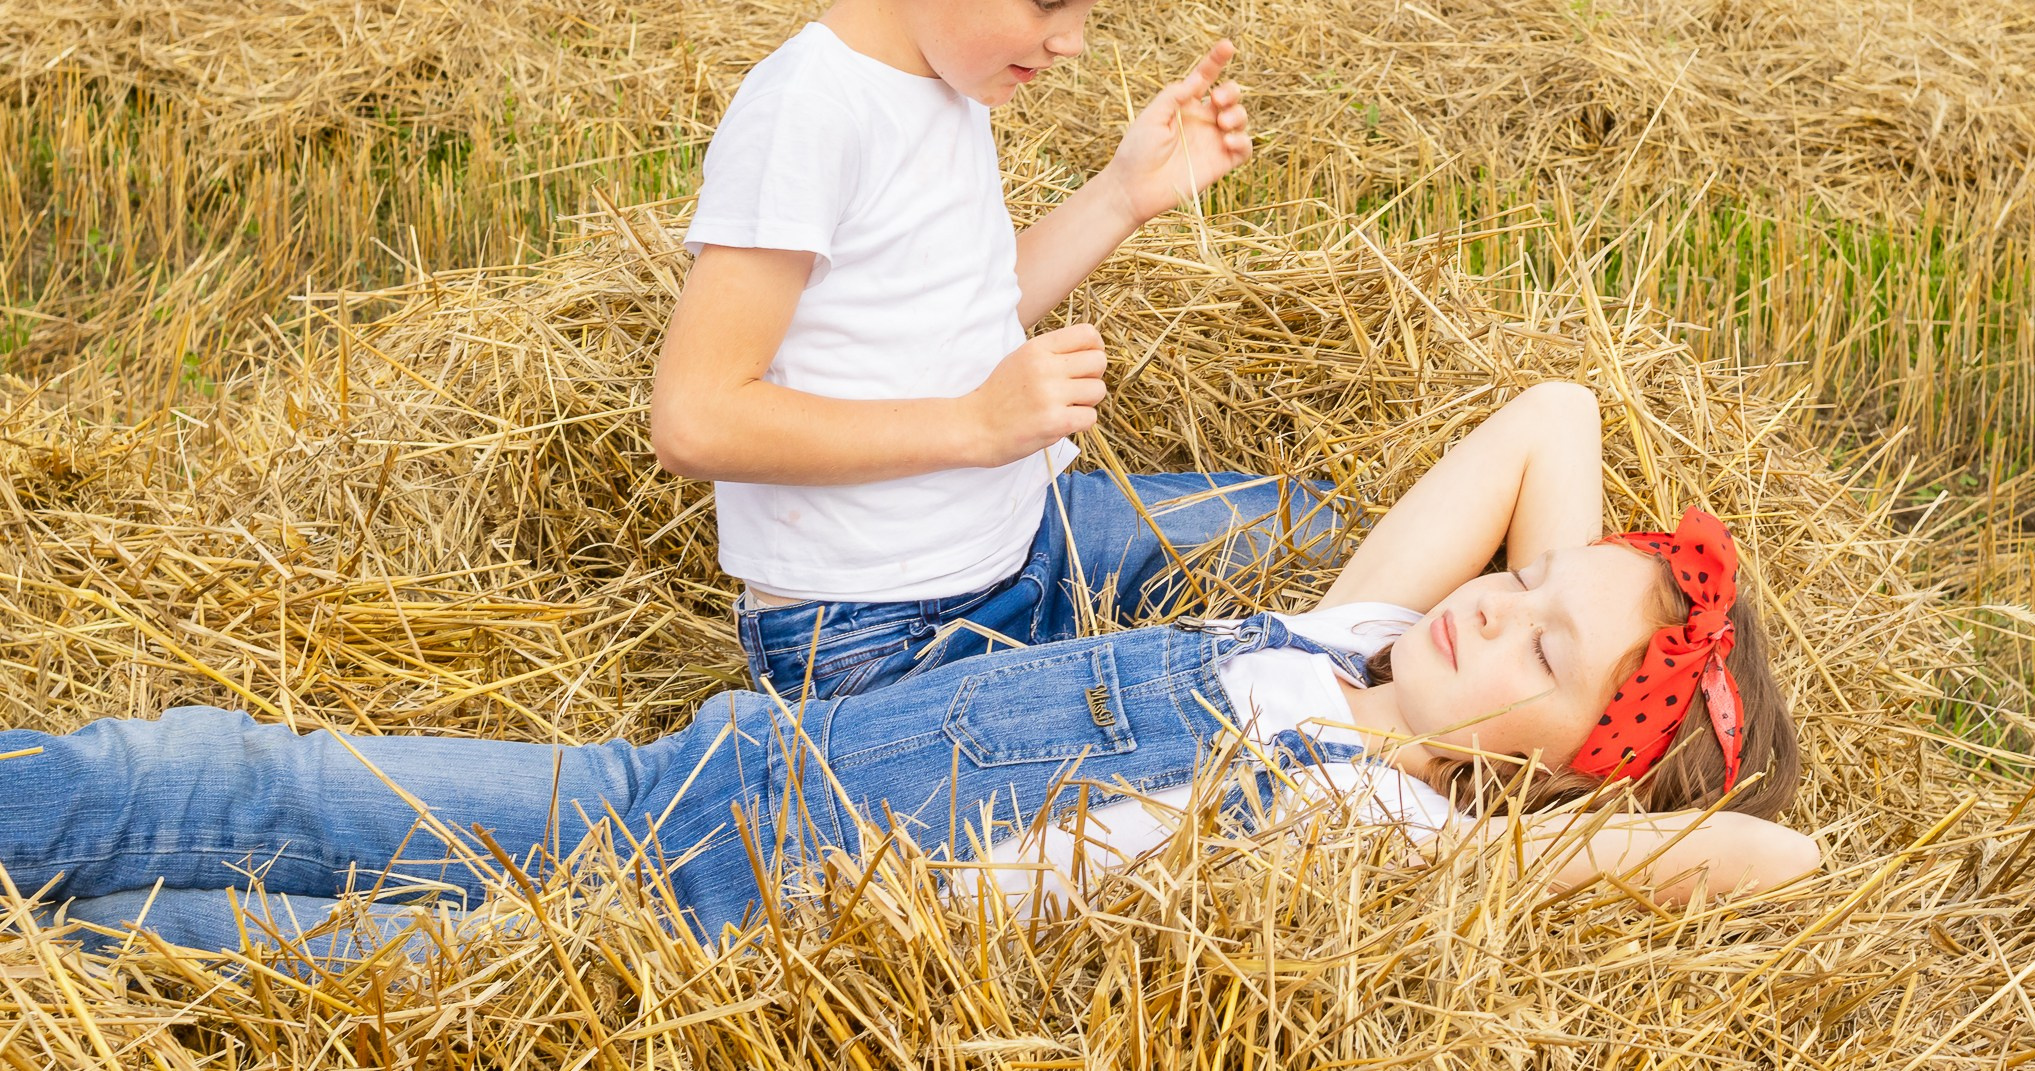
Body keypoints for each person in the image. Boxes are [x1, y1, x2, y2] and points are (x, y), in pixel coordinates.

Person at [2, 383, 1818, 960]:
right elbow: (1553, 414)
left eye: (1539, 640)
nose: (1490, 609)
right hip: (687, 777)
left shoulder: (1379, 840)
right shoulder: (1350, 638)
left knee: (243, 939)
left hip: (709, 923)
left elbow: (1763, 859)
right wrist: (1620, 595)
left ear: (1572, 766)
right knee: (259, 773)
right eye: (1515, 585)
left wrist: (1591, 784)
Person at [647, 0, 1342, 700]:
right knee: (1202, 706)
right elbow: (695, 417)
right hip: (879, 627)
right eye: (1049, 2)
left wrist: (1120, 195)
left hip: (1022, 535)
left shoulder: (941, 81)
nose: (1073, 43)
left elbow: (956, 312)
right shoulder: (809, 113)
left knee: (1311, 528)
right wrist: (975, 424)